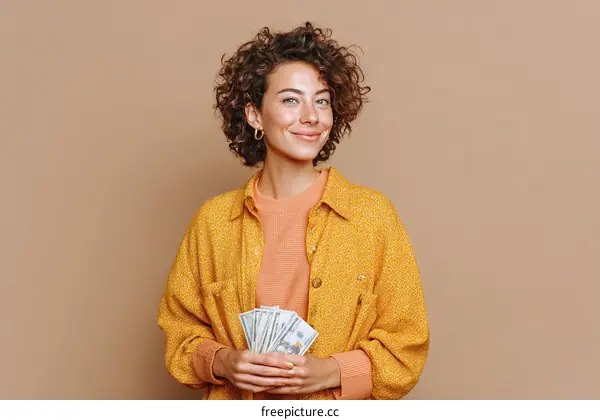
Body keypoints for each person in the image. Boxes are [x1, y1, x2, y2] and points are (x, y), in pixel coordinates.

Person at [157, 22, 429, 400]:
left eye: (321, 100)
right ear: (254, 115)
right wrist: (222, 361)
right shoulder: (213, 223)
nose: (311, 116)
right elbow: (180, 332)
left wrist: (331, 372)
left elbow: (407, 345)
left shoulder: (372, 216)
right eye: (290, 100)